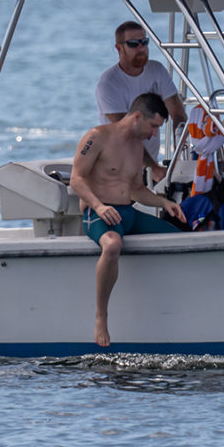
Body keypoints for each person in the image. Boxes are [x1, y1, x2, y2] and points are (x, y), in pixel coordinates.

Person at [70, 92, 187, 347]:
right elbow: (76, 179)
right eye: (154, 126)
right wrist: (99, 207)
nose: (155, 134)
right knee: (112, 244)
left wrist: (165, 203)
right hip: (98, 214)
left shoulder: (137, 148)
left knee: (181, 240)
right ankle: (101, 316)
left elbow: (136, 190)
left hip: (128, 213)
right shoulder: (97, 137)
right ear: (137, 117)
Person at [96, 21, 187, 183]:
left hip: (148, 169)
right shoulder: (108, 83)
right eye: (133, 44)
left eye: (144, 42)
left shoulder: (157, 70)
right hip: (117, 170)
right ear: (119, 48)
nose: (141, 48)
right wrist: (153, 167)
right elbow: (126, 132)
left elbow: (178, 114)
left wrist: (181, 159)